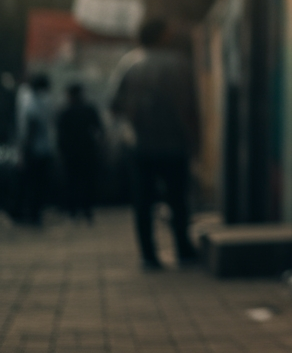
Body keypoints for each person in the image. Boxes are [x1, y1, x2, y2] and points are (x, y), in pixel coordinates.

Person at [110, 18, 200, 269]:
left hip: (141, 146)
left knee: (143, 202)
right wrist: (196, 142)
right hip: (175, 144)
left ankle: (148, 255)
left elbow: (114, 106)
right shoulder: (181, 64)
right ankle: (183, 249)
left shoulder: (129, 64)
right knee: (178, 200)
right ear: (162, 36)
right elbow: (193, 108)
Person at [57, 83, 104, 222]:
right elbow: (100, 130)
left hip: (71, 153)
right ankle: (87, 210)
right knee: (87, 182)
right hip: (87, 151)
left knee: (72, 182)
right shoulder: (89, 109)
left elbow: (60, 135)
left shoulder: (65, 111)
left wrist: (61, 151)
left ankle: (73, 211)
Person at [15, 73, 55, 225]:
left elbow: (30, 128)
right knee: (39, 185)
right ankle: (35, 214)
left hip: (33, 150)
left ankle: (30, 215)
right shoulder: (46, 100)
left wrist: (24, 151)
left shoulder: (29, 100)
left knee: (30, 184)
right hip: (45, 149)